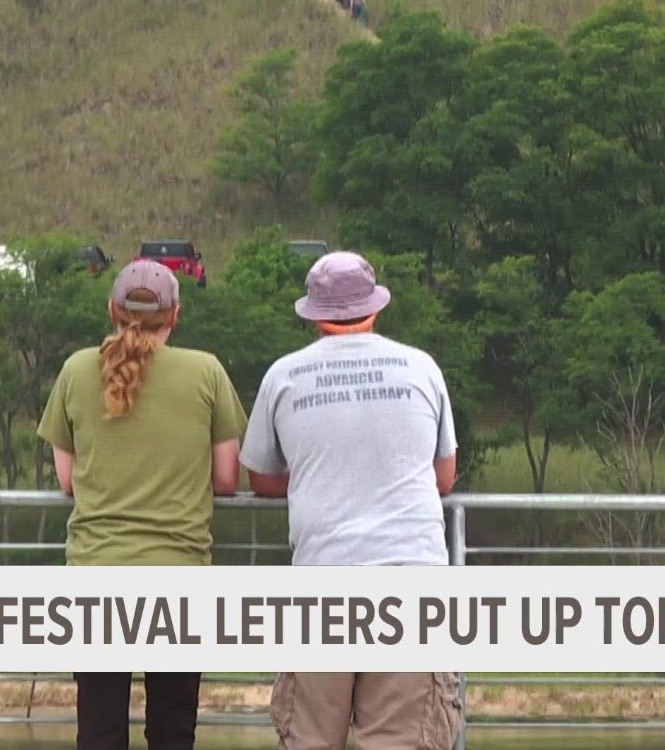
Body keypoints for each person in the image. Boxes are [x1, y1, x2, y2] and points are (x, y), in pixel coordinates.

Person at [242, 252, 464, 750]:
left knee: (309, 739)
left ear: (313, 314)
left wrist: (311, 477)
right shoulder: (421, 367)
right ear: (375, 307)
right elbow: (443, 477)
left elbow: (260, 478)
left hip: (321, 581)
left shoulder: (283, 376)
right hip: (412, 583)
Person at [38, 260, 247, 750]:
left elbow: (68, 481)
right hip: (179, 576)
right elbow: (227, 478)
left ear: (111, 309)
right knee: (173, 731)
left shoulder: (75, 370)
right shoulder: (206, 371)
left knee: (99, 729)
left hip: (95, 574)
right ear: (175, 315)